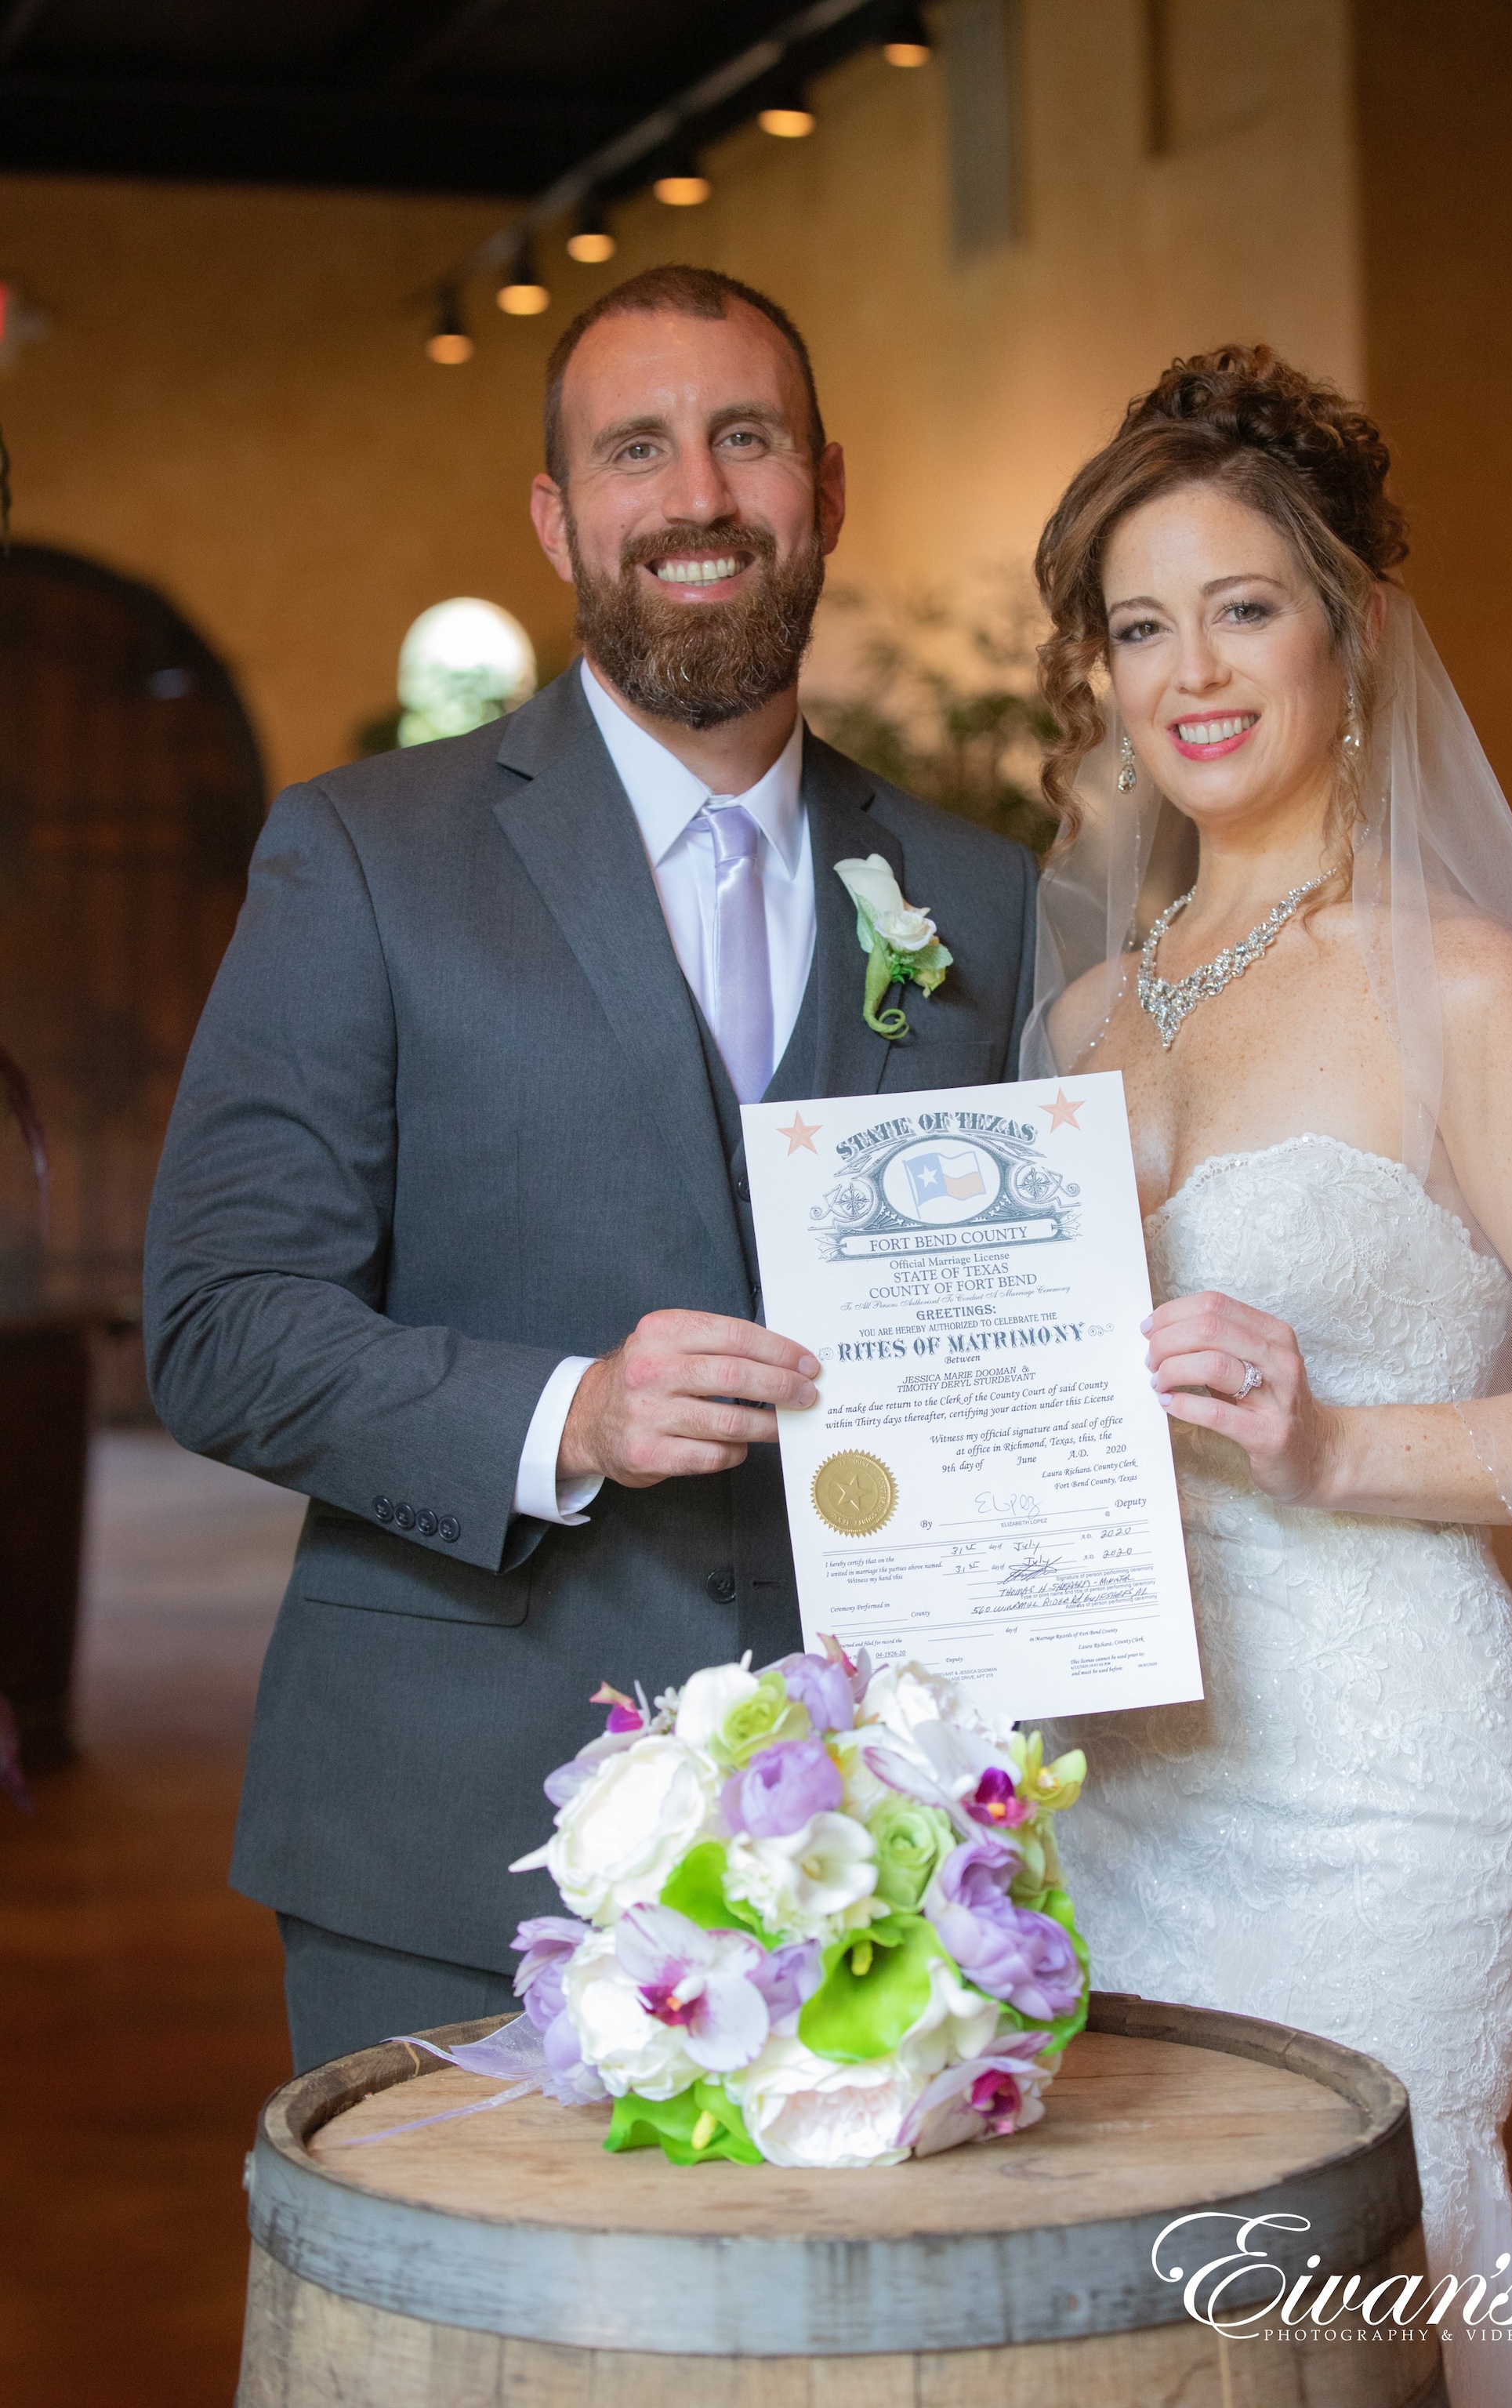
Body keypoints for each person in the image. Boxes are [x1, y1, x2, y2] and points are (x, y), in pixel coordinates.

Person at [144, 265, 1038, 2074]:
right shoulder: (364, 854)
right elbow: (221, 1323)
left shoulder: (986, 895)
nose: (696, 495)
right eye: (637, 448)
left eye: (745, 439)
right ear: (558, 516)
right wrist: (574, 1414)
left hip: (878, 1854)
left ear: (824, 488)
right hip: (449, 1837)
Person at [1024, 346, 1512, 2408]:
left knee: (1360, 2304)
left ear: (1350, 628)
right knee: (1144, 2342)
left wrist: (1340, 1440)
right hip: (1114, 1790)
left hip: (1383, 1792)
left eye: (1242, 606)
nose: (1190, 668)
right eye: (1140, 621)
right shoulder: (1093, 1007)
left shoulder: (1468, 989)